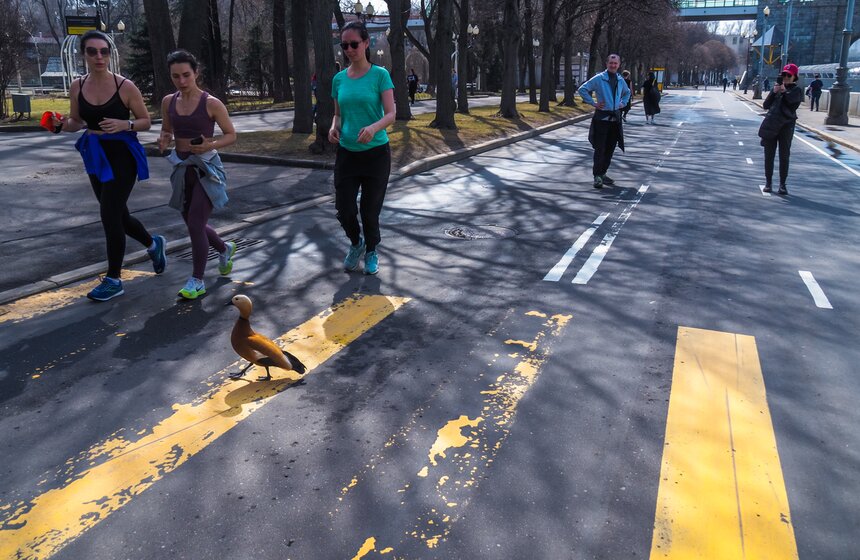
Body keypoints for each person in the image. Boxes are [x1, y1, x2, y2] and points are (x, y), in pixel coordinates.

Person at [47, 30, 166, 302]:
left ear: (110, 54)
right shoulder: (77, 86)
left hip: (123, 155)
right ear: (83, 54)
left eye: (104, 51)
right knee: (119, 216)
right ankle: (153, 243)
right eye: (92, 51)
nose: (99, 56)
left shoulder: (125, 86)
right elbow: (77, 122)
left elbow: (146, 120)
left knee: (109, 215)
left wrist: (127, 124)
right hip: (95, 155)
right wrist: (60, 126)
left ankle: (114, 279)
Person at [158, 50, 238, 300]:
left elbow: (231, 135)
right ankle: (224, 248)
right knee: (196, 225)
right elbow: (167, 129)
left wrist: (210, 145)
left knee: (195, 225)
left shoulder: (211, 103)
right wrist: (164, 139)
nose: (181, 81)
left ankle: (197, 280)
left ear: (196, 73)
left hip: (206, 169)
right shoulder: (168, 102)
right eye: (175, 77)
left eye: (186, 75)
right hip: (182, 169)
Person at [328, 21, 396, 275]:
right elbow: (338, 114)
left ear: (366, 43)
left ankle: (371, 251)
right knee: (344, 209)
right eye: (344, 45)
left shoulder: (380, 75)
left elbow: (391, 114)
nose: (349, 49)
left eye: (354, 44)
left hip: (376, 154)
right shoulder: (338, 79)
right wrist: (333, 128)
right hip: (347, 153)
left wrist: (373, 128)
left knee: (369, 211)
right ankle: (356, 243)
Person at [577, 54, 631, 189]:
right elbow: (582, 89)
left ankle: (603, 173)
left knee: (610, 149)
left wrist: (622, 103)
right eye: (611, 63)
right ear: (607, 64)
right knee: (600, 149)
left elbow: (627, 93)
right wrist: (593, 103)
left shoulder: (620, 79)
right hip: (602, 119)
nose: (613, 65)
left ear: (619, 65)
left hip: (615, 120)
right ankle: (597, 176)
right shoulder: (599, 78)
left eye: (615, 63)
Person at [758, 64, 803, 196]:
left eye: (789, 75)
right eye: (784, 75)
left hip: (786, 127)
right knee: (769, 156)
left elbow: (792, 104)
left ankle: (782, 184)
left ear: (794, 76)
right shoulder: (777, 89)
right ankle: (768, 182)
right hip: (772, 126)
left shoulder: (796, 90)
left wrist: (784, 92)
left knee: (784, 156)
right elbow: (766, 105)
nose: (786, 77)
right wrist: (773, 92)